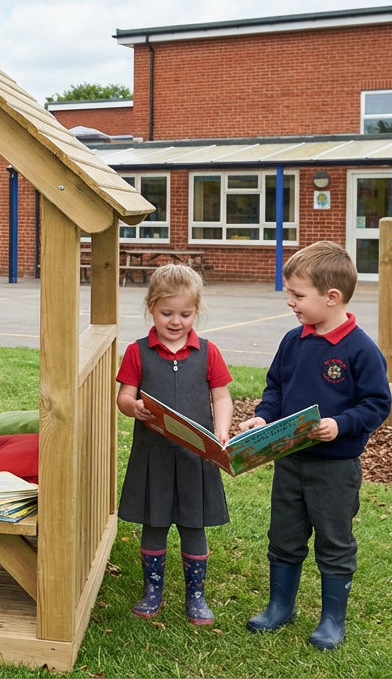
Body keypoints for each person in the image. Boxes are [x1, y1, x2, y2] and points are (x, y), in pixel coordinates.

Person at [238, 240, 391, 650]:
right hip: (289, 463)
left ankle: (331, 620)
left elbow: (377, 405)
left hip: (335, 469)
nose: (290, 302)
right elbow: (276, 387)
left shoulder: (360, 349)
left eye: (297, 295)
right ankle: (279, 607)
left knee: (333, 542)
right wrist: (263, 416)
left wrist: (340, 425)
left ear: (332, 297)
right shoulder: (293, 341)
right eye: (290, 293)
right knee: (284, 537)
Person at [114, 264, 233, 626]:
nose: (176, 321)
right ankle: (153, 591)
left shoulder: (208, 351)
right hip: (154, 456)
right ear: (151, 308)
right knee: (154, 522)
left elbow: (222, 397)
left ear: (197, 311)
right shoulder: (137, 352)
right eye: (167, 313)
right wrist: (132, 407)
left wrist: (222, 432)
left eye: (186, 313)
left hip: (197, 456)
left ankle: (196, 596)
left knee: (193, 525)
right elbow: (124, 397)